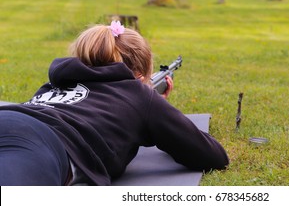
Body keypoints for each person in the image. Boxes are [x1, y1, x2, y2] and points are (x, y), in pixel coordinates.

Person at [0, 21, 229, 186]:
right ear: (140, 75)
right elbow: (213, 156)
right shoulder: (138, 93)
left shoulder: (55, 84)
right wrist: (155, 110)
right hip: (43, 143)